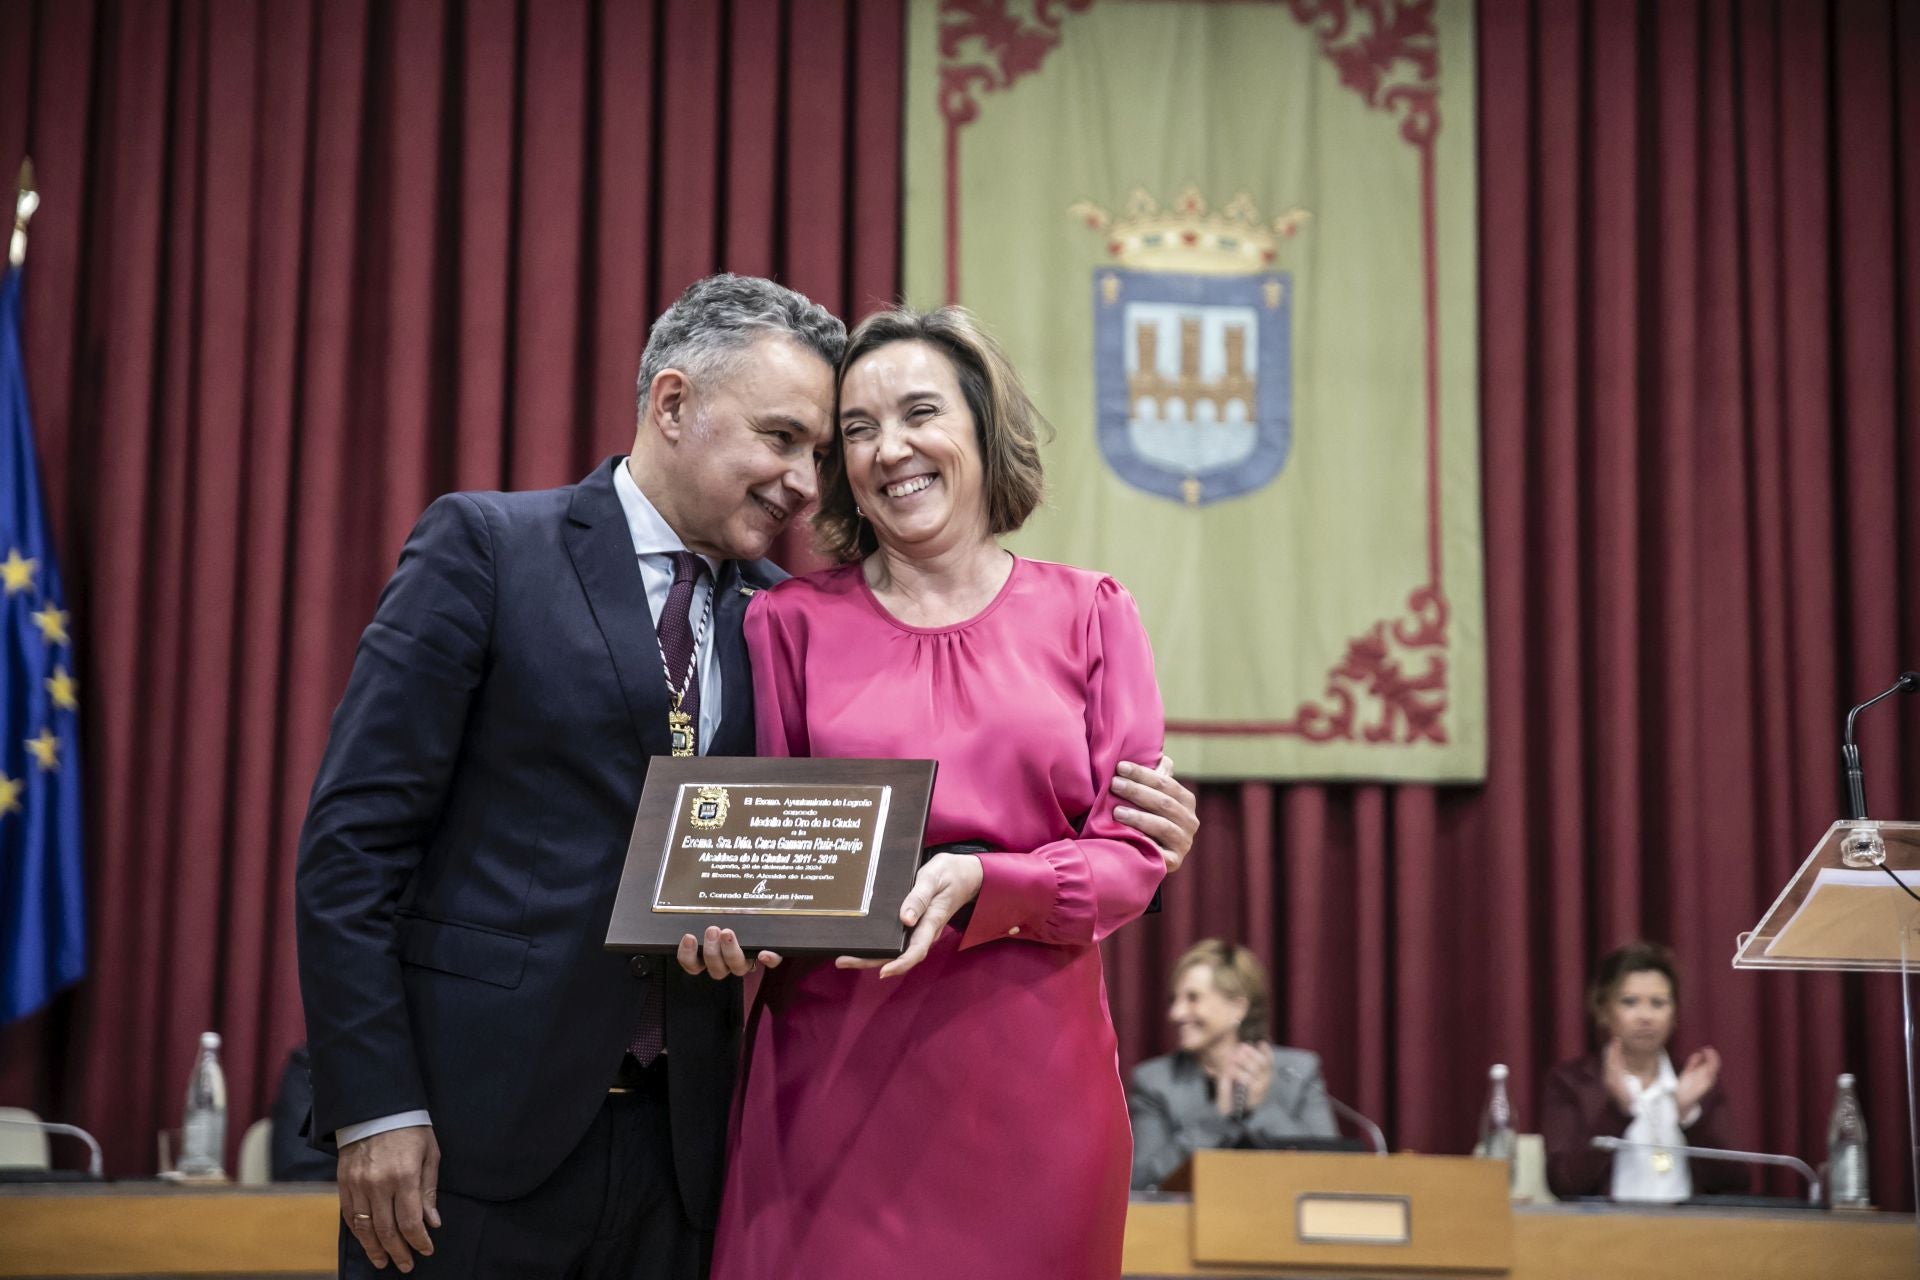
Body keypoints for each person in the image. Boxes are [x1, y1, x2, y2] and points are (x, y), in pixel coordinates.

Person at [294, 275, 1200, 1280]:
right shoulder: (496, 549)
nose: (810, 482)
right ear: (673, 404)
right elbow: (352, 843)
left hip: (686, 1150)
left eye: (820, 450)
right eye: (792, 438)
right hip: (476, 1131)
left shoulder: (771, 608)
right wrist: (374, 1102)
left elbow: (793, 846)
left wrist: (1137, 839)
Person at [708, 306, 1168, 1280]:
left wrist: (989, 880)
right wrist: (723, 917)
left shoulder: (1093, 612)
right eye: (860, 428)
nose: (891, 448)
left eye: (918, 412)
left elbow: (1134, 858)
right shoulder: (785, 623)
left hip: (1036, 1104)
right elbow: (767, 865)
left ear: (978, 430)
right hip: (827, 1099)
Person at [1126, 939, 1340, 1190]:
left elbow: (1332, 1169)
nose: (1176, 1013)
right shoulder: (1154, 1082)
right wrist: (1217, 1117)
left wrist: (1261, 1108)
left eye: (1193, 998)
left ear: (1237, 1007)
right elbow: (1143, 1180)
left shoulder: (1299, 1072)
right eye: (1175, 999)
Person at [1541, 941, 1746, 1202]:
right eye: (1630, 1002)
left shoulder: (1694, 1081)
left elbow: (1736, 1184)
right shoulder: (1571, 1082)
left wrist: (1690, 1116)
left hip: (1690, 1234)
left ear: (1674, 1016)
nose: (1645, 1016)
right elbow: (1564, 1184)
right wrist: (1616, 1111)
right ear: (1603, 1010)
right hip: (1606, 1235)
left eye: (1658, 1003)